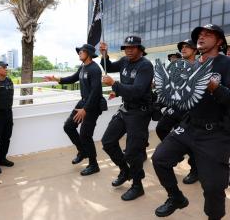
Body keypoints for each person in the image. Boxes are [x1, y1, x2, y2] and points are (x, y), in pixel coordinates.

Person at [152, 24, 230, 220]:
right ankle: (176, 197)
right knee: (159, 158)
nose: (201, 38)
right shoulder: (192, 66)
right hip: (188, 126)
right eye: (199, 35)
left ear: (219, 41)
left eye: (207, 34)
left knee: (213, 187)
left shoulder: (227, 64)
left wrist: (214, 87)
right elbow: (183, 99)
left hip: (215, 133)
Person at [99, 36, 153, 201]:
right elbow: (108, 66)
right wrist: (104, 55)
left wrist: (114, 85)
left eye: (132, 47)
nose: (128, 50)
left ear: (140, 48)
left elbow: (137, 90)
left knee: (132, 152)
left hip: (139, 113)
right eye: (126, 47)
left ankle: (137, 186)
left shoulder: (145, 66)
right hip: (125, 109)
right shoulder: (124, 61)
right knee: (108, 141)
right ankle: (125, 170)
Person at [44, 44, 105, 176]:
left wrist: (85, 109)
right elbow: (72, 79)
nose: (79, 54)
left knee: (85, 134)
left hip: (92, 106)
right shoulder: (83, 67)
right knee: (68, 126)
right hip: (83, 102)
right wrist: (55, 79)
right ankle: (82, 151)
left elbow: (96, 92)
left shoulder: (95, 69)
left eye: (81, 52)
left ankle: (94, 165)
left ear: (88, 53)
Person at [155, 39, 199, 185]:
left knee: (191, 143)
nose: (184, 49)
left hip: (191, 112)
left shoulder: (200, 67)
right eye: (182, 47)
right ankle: (177, 153)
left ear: (195, 50)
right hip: (176, 108)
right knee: (161, 128)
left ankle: (195, 170)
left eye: (188, 47)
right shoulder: (177, 66)